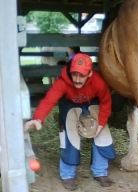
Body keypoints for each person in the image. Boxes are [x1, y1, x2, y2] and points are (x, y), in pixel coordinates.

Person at [24, 53, 116, 191]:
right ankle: (67, 175)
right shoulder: (63, 82)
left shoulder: (98, 82)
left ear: (90, 73)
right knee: (69, 132)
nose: (77, 79)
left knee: (102, 133)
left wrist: (101, 123)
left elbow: (106, 102)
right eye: (74, 74)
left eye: (82, 75)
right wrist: (38, 118)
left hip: (92, 101)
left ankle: (100, 172)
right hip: (70, 102)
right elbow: (49, 99)